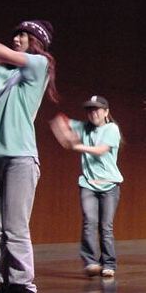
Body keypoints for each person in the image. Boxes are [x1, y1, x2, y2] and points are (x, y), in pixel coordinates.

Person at [0, 20, 59, 293]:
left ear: (37, 42)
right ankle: (6, 285)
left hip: (19, 158)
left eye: (24, 35)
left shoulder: (39, 66)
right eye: (16, 34)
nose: (17, 38)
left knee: (14, 227)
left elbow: (4, 53)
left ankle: (23, 288)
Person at [51, 96, 123, 277]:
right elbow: (60, 120)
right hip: (88, 184)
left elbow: (101, 150)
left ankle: (108, 264)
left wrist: (76, 146)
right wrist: (63, 132)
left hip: (110, 185)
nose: (93, 113)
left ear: (106, 112)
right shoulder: (84, 127)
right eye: (90, 110)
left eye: (97, 109)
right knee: (89, 223)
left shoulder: (111, 128)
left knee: (106, 227)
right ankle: (91, 262)